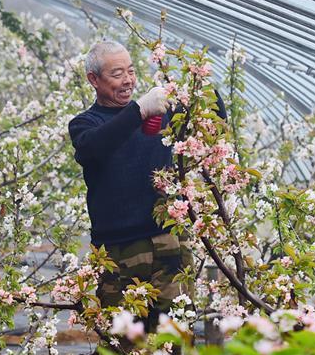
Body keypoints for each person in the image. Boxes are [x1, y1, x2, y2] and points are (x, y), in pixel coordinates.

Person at [69, 41, 226, 332]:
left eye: (130, 71)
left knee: (175, 337)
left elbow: (214, 119)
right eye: (117, 73)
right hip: (118, 251)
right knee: (125, 342)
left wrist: (197, 86)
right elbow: (94, 148)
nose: (128, 80)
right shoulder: (85, 124)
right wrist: (139, 110)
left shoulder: (160, 115)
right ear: (94, 79)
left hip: (168, 241)